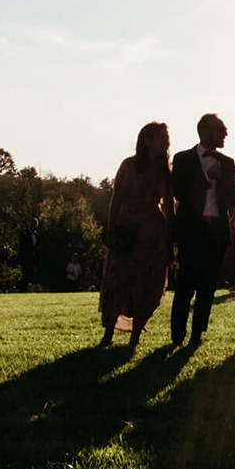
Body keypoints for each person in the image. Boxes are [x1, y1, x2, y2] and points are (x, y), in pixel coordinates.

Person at [99, 122, 174, 348]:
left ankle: (136, 336)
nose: (166, 141)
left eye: (167, 137)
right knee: (119, 281)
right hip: (128, 228)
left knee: (148, 282)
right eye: (161, 137)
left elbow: (169, 206)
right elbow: (117, 198)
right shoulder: (130, 166)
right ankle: (108, 333)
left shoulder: (165, 170)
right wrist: (112, 228)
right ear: (147, 141)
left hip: (152, 232)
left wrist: (170, 236)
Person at [169, 114, 235, 348]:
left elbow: (231, 196)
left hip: (216, 232)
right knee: (185, 285)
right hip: (191, 231)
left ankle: (197, 335)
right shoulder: (182, 159)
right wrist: (208, 180)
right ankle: (177, 336)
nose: (225, 134)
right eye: (221, 130)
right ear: (205, 131)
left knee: (208, 287)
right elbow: (177, 191)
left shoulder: (227, 163)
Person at [17, 221, 40, 292]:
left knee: (32, 275)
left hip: (33, 258)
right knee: (25, 275)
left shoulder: (36, 235)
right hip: (26, 258)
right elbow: (22, 248)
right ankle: (23, 290)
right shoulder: (25, 234)